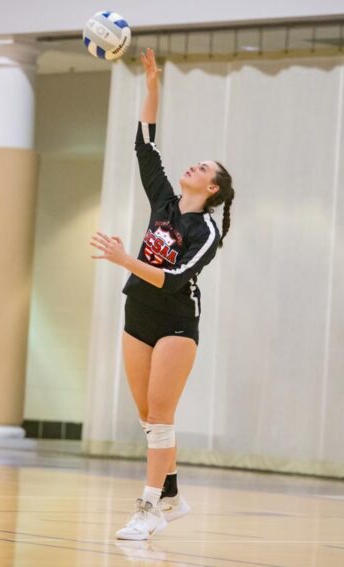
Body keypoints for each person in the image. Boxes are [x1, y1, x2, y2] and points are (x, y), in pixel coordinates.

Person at [90, 47, 235, 541]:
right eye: (194, 163)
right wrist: (152, 86)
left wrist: (125, 260)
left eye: (202, 168)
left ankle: (149, 508)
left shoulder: (206, 232)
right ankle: (172, 496)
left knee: (160, 415)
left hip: (176, 321)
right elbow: (143, 145)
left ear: (212, 189)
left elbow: (173, 279)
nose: (192, 167)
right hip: (138, 312)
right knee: (148, 420)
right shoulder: (165, 201)